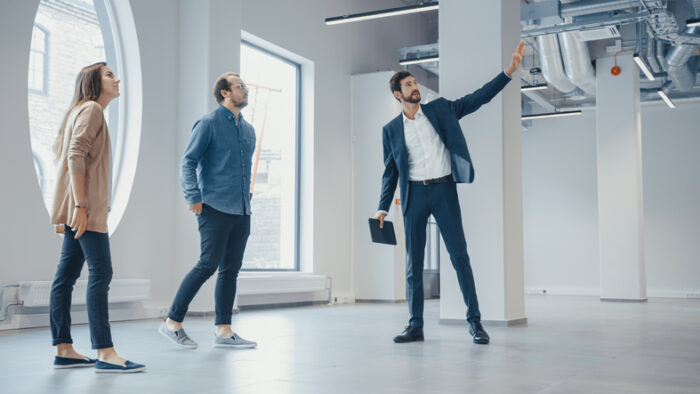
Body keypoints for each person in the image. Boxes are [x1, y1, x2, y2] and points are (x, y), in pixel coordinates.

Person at [374, 41, 526, 345]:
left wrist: (508, 72)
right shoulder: (390, 130)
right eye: (408, 84)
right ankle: (415, 324)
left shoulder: (440, 109)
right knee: (413, 263)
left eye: (415, 82)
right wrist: (382, 207)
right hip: (414, 196)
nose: (415, 87)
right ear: (397, 94)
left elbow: (476, 99)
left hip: (443, 190)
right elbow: (390, 170)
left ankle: (475, 322)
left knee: (459, 256)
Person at [49, 62, 146, 372]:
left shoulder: (79, 110)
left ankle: (64, 348)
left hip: (79, 207)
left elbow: (65, 155)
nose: (116, 79)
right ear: (92, 81)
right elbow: (75, 154)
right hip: (86, 210)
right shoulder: (92, 110)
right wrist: (80, 207)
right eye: (108, 75)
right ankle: (105, 351)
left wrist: (71, 206)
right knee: (101, 273)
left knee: (65, 278)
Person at [159, 72, 257, 349]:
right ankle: (172, 322)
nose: (245, 90)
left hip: (242, 209)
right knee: (207, 264)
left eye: (245, 86)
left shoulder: (248, 130)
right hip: (213, 206)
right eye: (240, 86)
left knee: (230, 270)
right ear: (225, 92)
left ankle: (224, 330)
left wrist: (247, 200)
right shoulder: (209, 123)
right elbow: (188, 162)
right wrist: (193, 196)